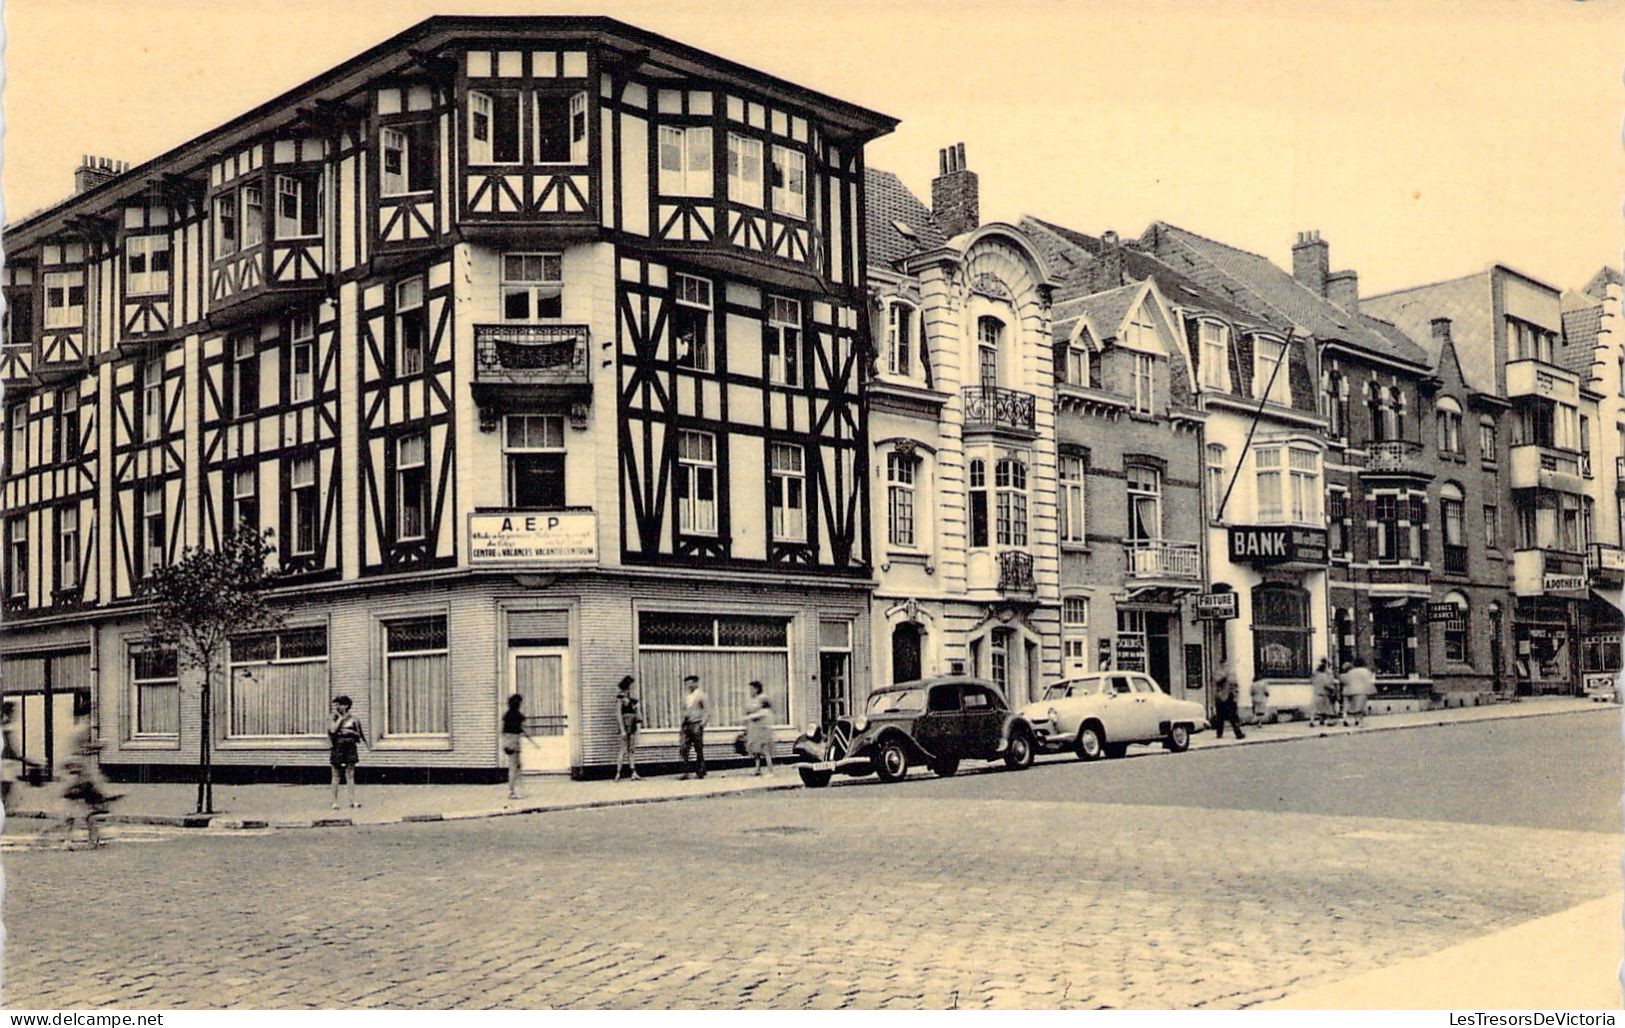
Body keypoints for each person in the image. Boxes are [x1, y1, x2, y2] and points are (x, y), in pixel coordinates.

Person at [328, 696, 368, 810]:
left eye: (339, 704)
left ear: (346, 706)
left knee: (350, 774)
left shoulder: (354, 719)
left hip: (350, 746)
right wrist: (340, 718)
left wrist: (349, 731)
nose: (336, 707)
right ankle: (334, 802)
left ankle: (353, 800)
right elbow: (332, 730)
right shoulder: (333, 717)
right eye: (336, 705)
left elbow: (359, 734)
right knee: (336, 775)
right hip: (338, 746)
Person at [742, 680, 774, 776]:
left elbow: (753, 713)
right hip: (754, 729)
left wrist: (747, 716)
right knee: (755, 750)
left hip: (762, 730)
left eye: (752, 689)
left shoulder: (764, 707)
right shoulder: (754, 700)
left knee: (765, 750)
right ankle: (758, 768)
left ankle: (770, 771)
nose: (750, 691)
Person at [679, 674, 707, 780]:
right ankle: (685, 771)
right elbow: (683, 708)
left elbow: (707, 711)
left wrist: (702, 724)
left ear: (696, 683)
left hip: (696, 723)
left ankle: (700, 771)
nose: (688, 686)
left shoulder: (701, 695)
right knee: (684, 747)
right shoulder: (686, 696)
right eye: (687, 684)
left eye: (690, 683)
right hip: (686, 724)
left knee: (698, 748)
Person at [501, 694, 529, 800]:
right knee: (514, 767)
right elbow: (520, 728)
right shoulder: (517, 715)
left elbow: (503, 730)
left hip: (507, 741)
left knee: (515, 766)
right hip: (514, 741)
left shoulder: (507, 715)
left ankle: (515, 790)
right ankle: (512, 791)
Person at [614, 675, 642, 782]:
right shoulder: (620, 698)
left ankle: (633, 772)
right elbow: (618, 714)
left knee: (631, 749)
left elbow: (637, 714)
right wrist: (622, 729)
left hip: (632, 724)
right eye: (632, 685)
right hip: (625, 725)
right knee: (623, 749)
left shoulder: (633, 700)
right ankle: (618, 773)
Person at [1211, 663, 1245, 740]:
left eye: (1227, 666)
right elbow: (1216, 680)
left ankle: (1238, 733)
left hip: (1230, 698)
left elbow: (1236, 686)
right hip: (1221, 698)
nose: (1227, 667)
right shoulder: (1219, 674)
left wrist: (1236, 696)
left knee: (1233, 717)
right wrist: (1225, 674)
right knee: (1220, 717)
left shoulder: (1232, 676)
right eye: (1225, 666)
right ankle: (1219, 733)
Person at [1341, 658, 1376, 727]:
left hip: (1348, 691)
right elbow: (1371, 681)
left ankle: (1345, 719)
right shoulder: (1366, 671)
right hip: (1361, 691)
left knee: (1347, 706)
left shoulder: (1350, 672)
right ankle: (1359, 721)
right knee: (1359, 708)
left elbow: (1344, 680)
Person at [1312, 658, 1340, 726]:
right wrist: (1333, 689)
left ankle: (1313, 720)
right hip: (1325, 693)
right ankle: (1329, 722)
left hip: (1316, 693)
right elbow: (1328, 683)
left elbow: (1312, 681)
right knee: (1328, 708)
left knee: (1317, 709)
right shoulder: (1327, 674)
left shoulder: (1315, 673)